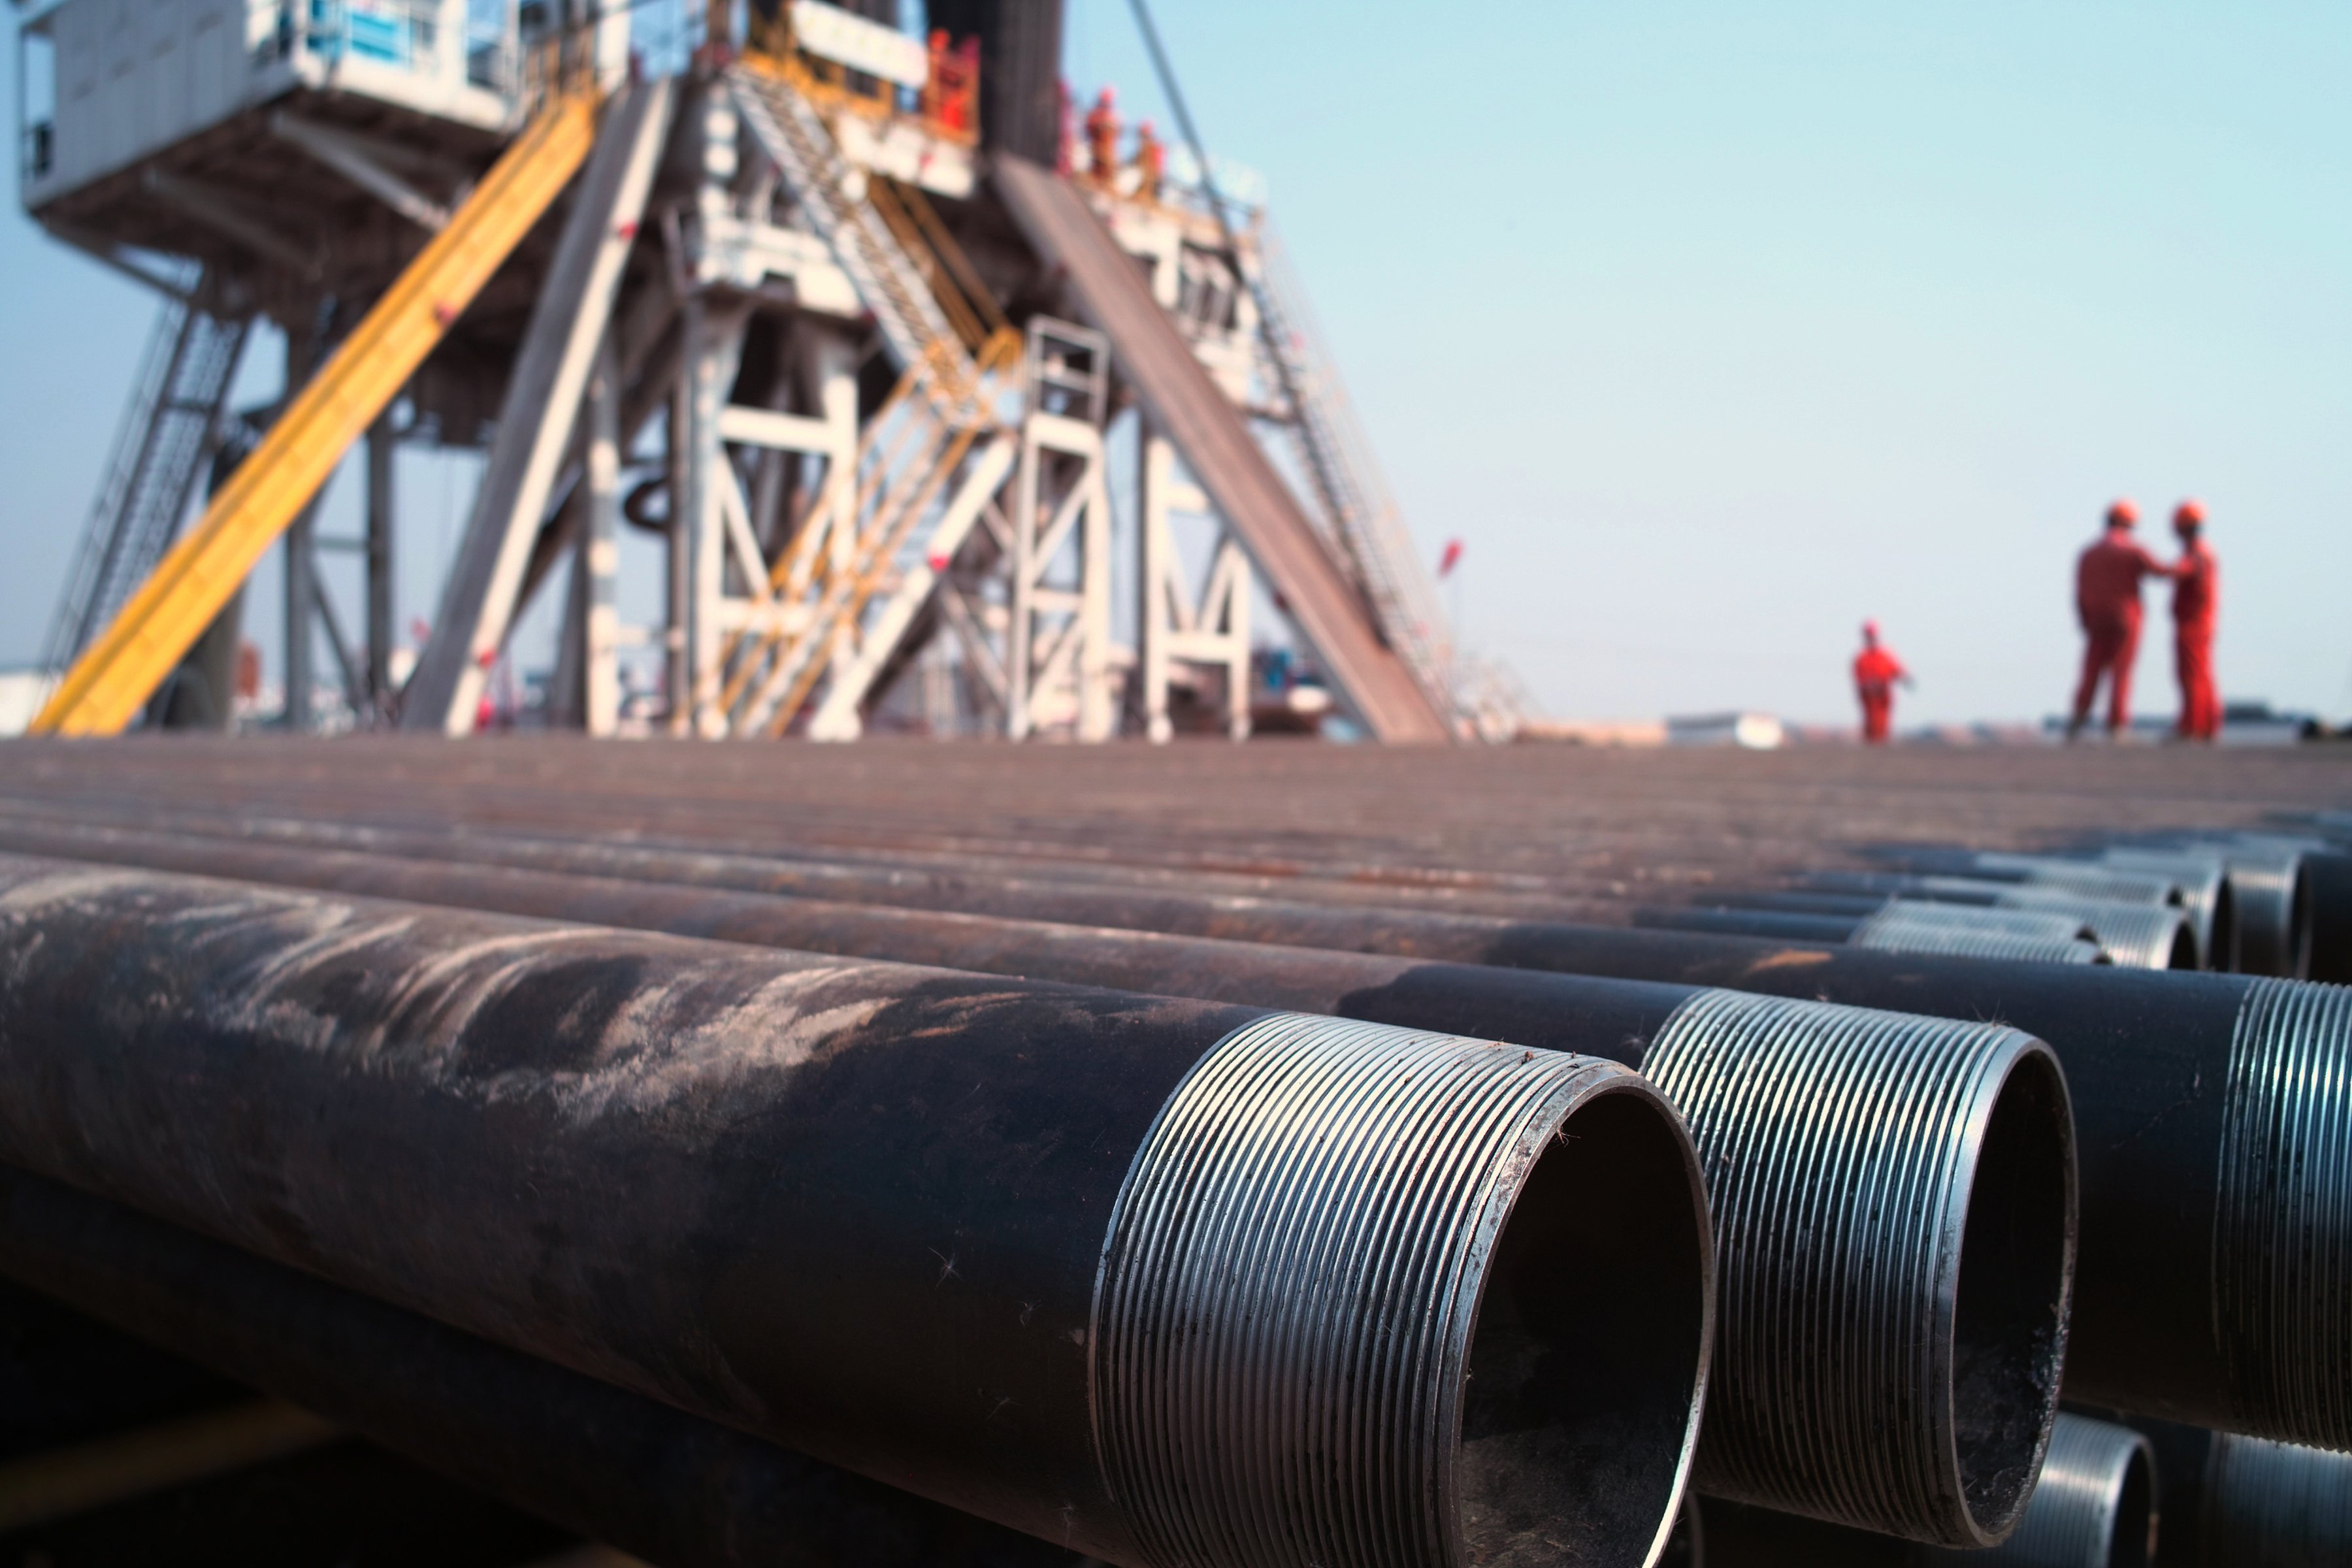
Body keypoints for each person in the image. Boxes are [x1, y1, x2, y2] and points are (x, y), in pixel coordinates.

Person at [2068, 498, 2179, 740]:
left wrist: (2085, 620)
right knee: (2122, 671)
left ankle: (2078, 720)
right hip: (2126, 619)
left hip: (2096, 620)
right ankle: (2117, 724)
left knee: (2091, 669)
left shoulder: (2088, 554)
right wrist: (2185, 565)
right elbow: (2162, 572)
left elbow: (2079, 592)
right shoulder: (2133, 551)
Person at [2171, 498, 2221, 742]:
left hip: (2193, 622)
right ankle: (2207, 725)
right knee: (2202, 674)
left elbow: (2181, 571)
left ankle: (2193, 726)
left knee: (2191, 675)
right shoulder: (2205, 551)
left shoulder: (2197, 554)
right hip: (2201, 622)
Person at [1852, 620, 1911, 744]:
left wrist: (1905, 678)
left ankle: (1881, 748)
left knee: (1883, 725)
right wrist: (1869, 685)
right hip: (1870, 699)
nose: (1871, 639)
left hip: (1884, 698)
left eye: (1873, 636)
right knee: (1871, 725)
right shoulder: (1862, 658)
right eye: (1869, 636)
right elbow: (1859, 678)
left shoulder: (1885, 655)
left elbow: (1896, 669)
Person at [1085, 88, 1120, 188]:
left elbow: (1116, 132)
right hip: (1096, 151)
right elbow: (1089, 127)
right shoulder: (1095, 114)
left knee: (1105, 172)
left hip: (1107, 154)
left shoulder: (1113, 117)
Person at [1132, 119, 1164, 203]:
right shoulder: (1145, 148)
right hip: (1148, 180)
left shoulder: (1151, 148)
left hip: (1152, 181)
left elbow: (1155, 168)